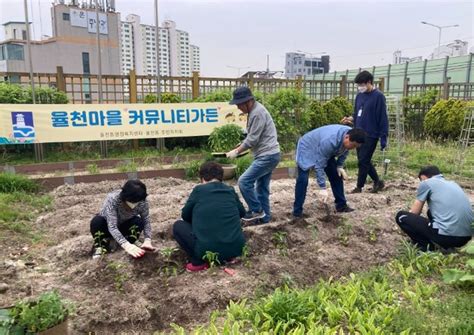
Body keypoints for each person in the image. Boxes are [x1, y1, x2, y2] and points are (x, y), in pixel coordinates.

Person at [173, 162, 246, 272]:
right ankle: (228, 257)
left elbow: (185, 216)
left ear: (202, 178)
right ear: (221, 177)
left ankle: (199, 262)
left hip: (207, 250)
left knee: (178, 226)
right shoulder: (230, 190)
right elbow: (242, 213)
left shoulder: (199, 190)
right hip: (236, 249)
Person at [225, 86, 281, 224]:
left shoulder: (257, 113)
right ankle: (264, 219)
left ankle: (256, 210)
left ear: (248, 101)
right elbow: (252, 136)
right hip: (268, 154)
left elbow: (252, 139)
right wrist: (240, 146)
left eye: (239, 104)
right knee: (261, 188)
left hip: (267, 156)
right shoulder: (254, 111)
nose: (238, 108)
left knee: (244, 182)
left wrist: (237, 151)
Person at [292, 125, 367, 217]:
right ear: (347, 137)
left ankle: (341, 206)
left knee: (336, 176)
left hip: (324, 148)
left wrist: (339, 165)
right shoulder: (331, 141)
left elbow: (346, 149)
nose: (353, 148)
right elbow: (319, 166)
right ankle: (297, 212)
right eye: (353, 145)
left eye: (356, 146)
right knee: (303, 179)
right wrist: (322, 187)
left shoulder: (351, 135)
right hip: (308, 146)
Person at [395, 166, 472, 252]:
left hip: (447, 237)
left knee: (401, 216)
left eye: (421, 180)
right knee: (430, 212)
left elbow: (415, 212)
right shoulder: (453, 184)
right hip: (466, 238)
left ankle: (426, 247)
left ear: (424, 177)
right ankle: (448, 247)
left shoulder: (426, 183)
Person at [341, 70, 388, 194]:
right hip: (358, 133)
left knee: (363, 160)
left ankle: (359, 186)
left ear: (369, 82)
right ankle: (378, 182)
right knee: (364, 160)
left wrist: (383, 136)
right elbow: (357, 113)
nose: (359, 87)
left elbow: (382, 117)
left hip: (371, 134)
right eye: (358, 85)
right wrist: (350, 119)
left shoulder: (378, 96)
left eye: (361, 84)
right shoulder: (359, 96)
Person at [90, 180, 156, 259]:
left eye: (137, 202)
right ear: (125, 197)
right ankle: (100, 245)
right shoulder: (113, 199)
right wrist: (126, 245)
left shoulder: (142, 201)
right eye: (132, 201)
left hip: (125, 225)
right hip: (107, 226)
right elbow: (112, 226)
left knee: (138, 222)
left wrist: (147, 240)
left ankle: (132, 240)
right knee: (97, 222)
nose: (135, 205)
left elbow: (146, 220)